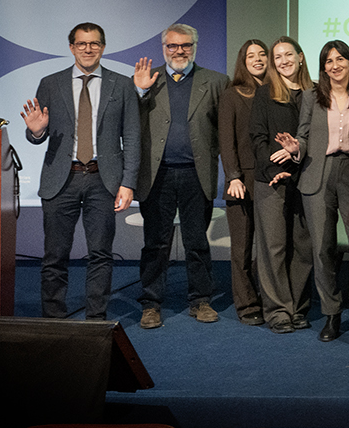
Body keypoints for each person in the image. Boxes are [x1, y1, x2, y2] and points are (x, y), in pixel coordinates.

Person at [21, 23, 140, 321]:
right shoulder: (50, 83)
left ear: (103, 47)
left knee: (101, 254)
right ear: (72, 47)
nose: (88, 49)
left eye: (95, 43)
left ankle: (96, 320)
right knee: (55, 256)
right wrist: (36, 132)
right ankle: (54, 320)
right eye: (82, 43)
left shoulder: (122, 84)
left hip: (104, 179)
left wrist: (128, 183)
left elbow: (132, 136)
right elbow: (37, 133)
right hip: (61, 180)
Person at [132, 22, 228, 329]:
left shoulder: (216, 81)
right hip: (156, 175)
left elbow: (225, 131)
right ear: (164, 48)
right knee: (155, 244)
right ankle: (151, 304)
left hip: (195, 175)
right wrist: (140, 91)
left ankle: (200, 300)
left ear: (195, 47)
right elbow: (130, 125)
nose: (179, 51)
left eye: (186, 45)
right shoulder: (147, 79)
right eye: (172, 45)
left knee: (197, 242)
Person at [282, 40, 349, 341]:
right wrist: (296, 148)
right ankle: (332, 314)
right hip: (318, 173)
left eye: (340, 59)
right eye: (329, 61)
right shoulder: (311, 96)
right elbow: (303, 136)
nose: (335, 65)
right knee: (322, 249)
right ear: (323, 67)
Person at [250, 37, 315, 333]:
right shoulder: (264, 94)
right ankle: (278, 311)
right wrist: (275, 170)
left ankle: (298, 308)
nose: (284, 61)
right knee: (273, 248)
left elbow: (320, 138)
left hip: (306, 178)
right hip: (271, 180)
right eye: (277, 57)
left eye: (289, 54)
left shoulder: (315, 94)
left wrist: (296, 158)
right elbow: (258, 138)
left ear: (300, 57)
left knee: (303, 247)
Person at [218, 39, 269, 325]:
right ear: (243, 61)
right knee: (243, 247)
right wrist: (233, 176)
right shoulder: (232, 94)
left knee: (270, 247)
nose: (258, 59)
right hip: (242, 180)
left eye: (262, 54)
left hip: (272, 177)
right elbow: (226, 140)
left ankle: (268, 299)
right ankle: (247, 305)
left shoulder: (276, 92)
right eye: (251, 55)